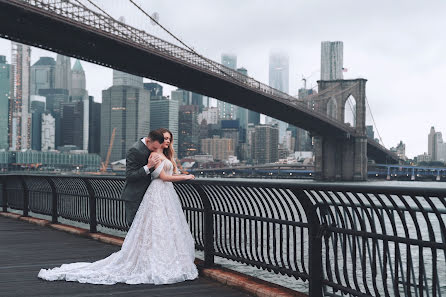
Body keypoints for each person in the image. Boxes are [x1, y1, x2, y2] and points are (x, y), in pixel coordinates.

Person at [38, 128, 198, 285]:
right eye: (161, 141)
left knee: (156, 230)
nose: (162, 144)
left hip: (157, 195)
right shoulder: (137, 150)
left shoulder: (160, 152)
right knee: (139, 233)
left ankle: (152, 260)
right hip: (137, 195)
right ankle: (140, 263)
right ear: (150, 140)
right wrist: (149, 167)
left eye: (167, 140)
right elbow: (131, 176)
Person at [122, 129, 163, 226]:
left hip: (147, 195)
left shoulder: (150, 147)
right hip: (135, 196)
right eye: (154, 148)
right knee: (134, 227)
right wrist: (148, 166)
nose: (155, 150)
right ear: (148, 141)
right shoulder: (134, 150)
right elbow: (130, 175)